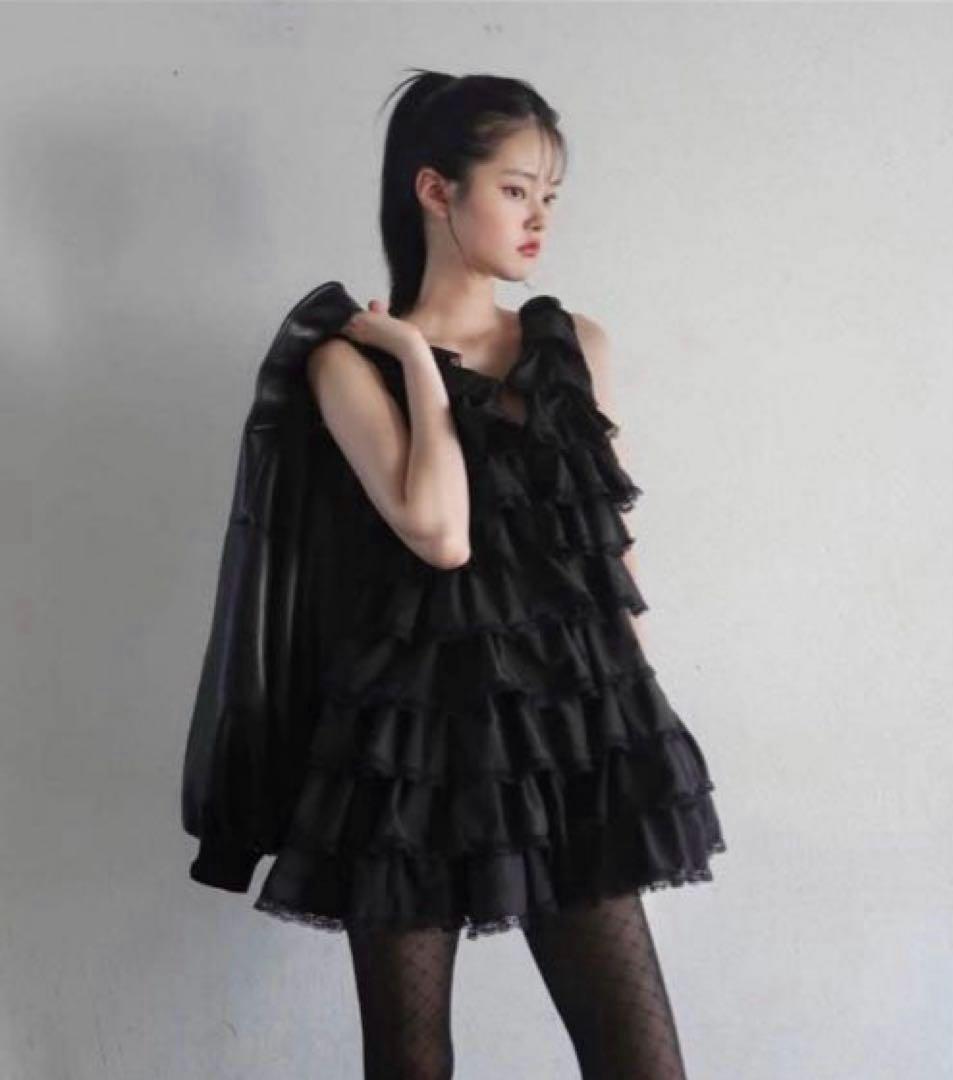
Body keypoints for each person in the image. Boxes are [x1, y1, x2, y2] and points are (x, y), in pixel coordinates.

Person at [185, 68, 727, 1080]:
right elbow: (439, 533)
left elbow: (607, 548)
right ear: (436, 190)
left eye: (548, 195)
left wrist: (636, 716)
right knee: (410, 1062)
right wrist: (416, 360)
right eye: (515, 190)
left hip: (567, 725)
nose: (538, 219)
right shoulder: (348, 361)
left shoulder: (576, 347)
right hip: (411, 745)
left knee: (641, 1061)